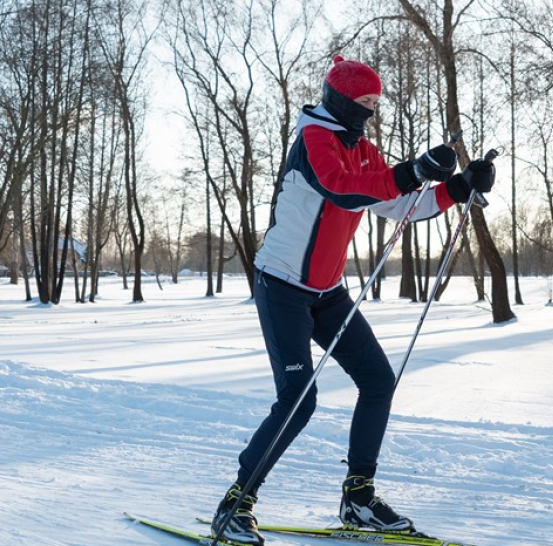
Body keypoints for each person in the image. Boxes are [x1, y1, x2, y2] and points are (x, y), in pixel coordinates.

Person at [211, 56, 495, 546]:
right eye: (362, 104)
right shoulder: (313, 140)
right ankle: (236, 503)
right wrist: (413, 170)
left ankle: (359, 498)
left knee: (378, 380)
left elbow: (402, 204)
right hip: (281, 287)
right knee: (299, 401)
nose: (368, 113)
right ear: (340, 100)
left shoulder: (365, 150)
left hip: (327, 292)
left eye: (373, 105)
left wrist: (457, 187)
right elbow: (341, 190)